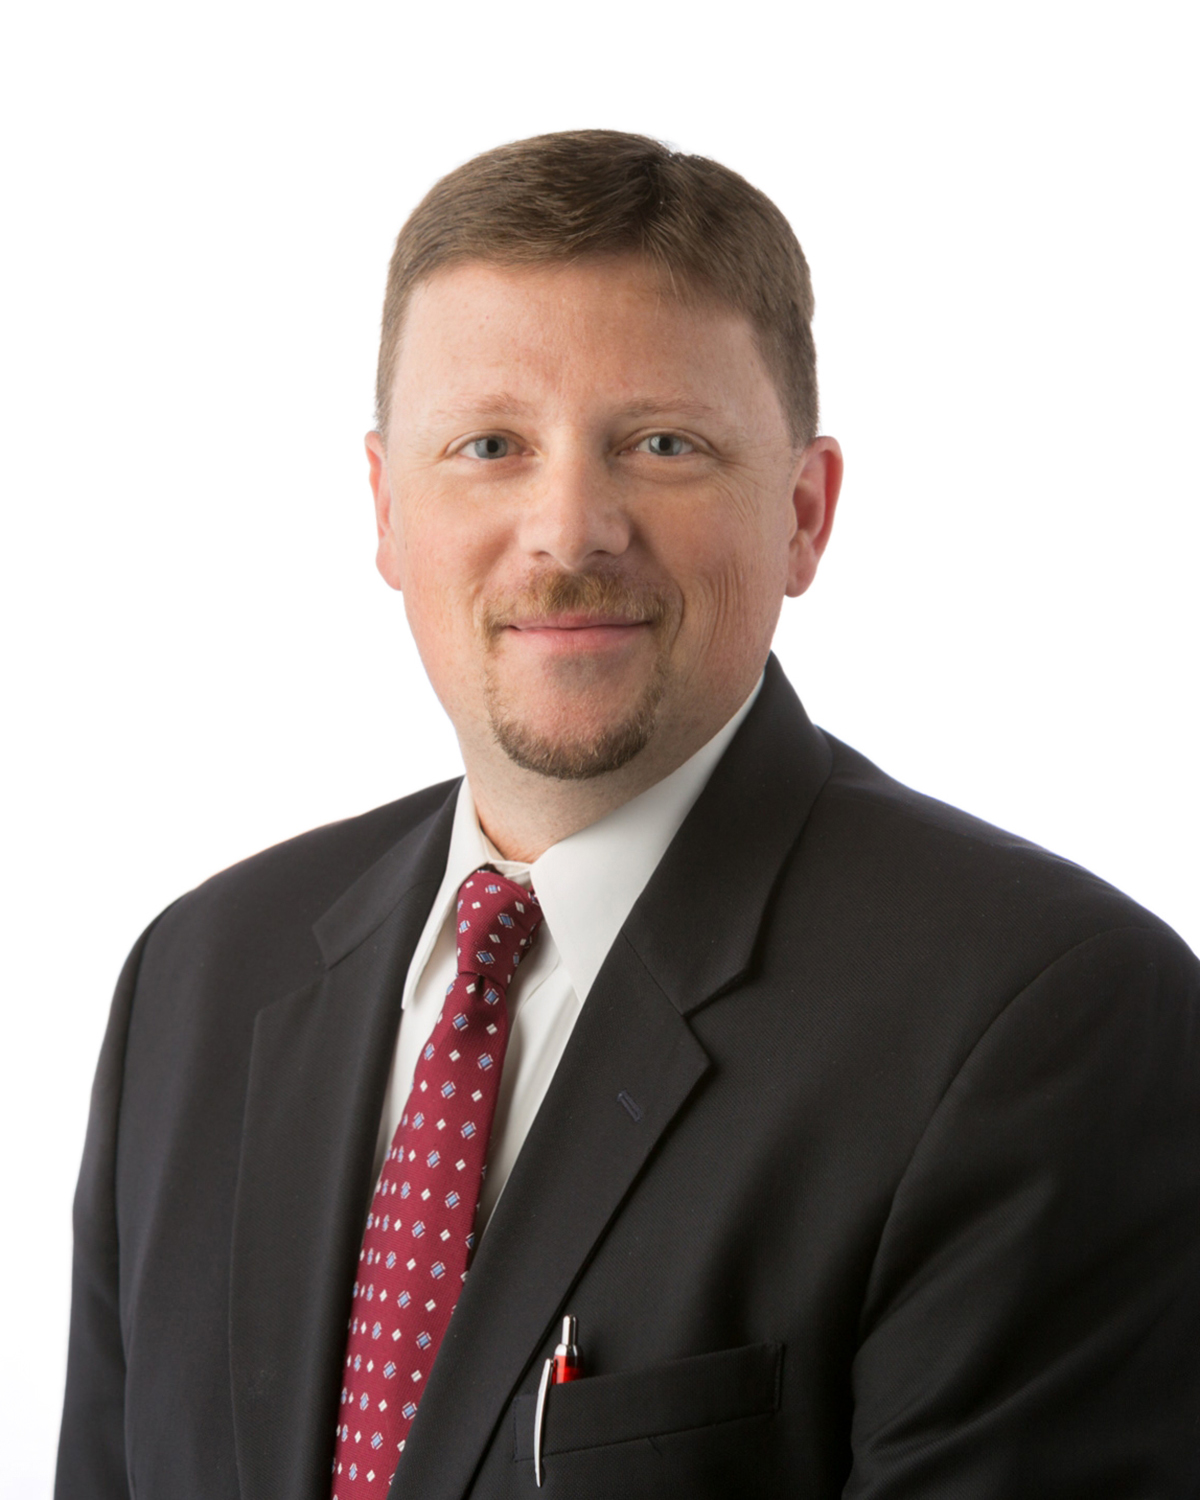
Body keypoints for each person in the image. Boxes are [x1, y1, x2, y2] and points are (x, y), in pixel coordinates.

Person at [56, 130, 1200, 1500]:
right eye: (490, 445)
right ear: (387, 510)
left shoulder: (1047, 1018)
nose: (569, 529)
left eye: (662, 444)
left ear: (804, 513)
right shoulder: (199, 978)